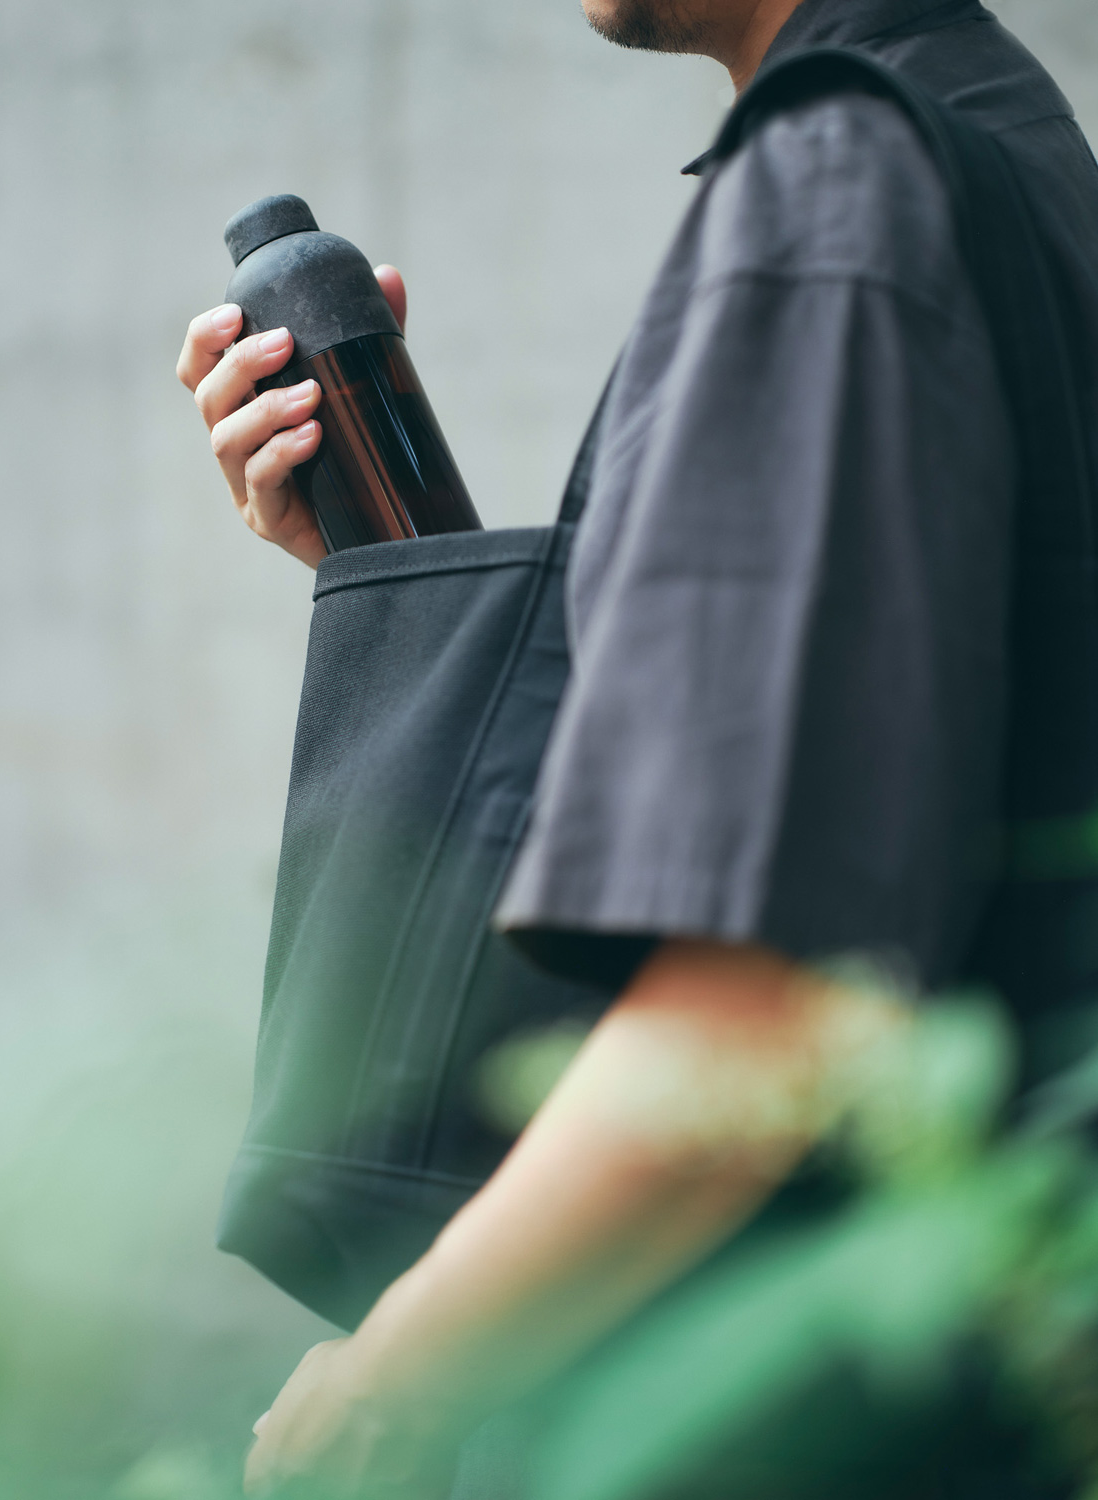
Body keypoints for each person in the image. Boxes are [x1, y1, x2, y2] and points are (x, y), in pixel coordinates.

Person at [176, 0, 1098, 1494]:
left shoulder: (836, 188)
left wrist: (391, 1383)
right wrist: (381, 565)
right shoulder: (1000, 137)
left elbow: (771, 1003)